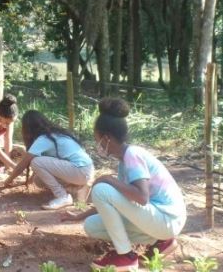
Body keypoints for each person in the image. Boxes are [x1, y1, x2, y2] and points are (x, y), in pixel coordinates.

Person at [59, 98, 186, 271]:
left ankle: (125, 256)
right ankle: (161, 242)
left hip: (167, 219)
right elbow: (115, 202)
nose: (98, 145)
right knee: (92, 225)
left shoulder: (133, 155)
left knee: (101, 188)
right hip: (160, 219)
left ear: (107, 138)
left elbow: (141, 197)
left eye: (98, 139)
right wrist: (79, 216)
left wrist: (108, 180)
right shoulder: (124, 161)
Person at [3, 109, 94, 210]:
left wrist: (8, 180)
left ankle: (62, 196)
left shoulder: (44, 139)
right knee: (38, 180)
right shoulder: (54, 134)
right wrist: (29, 180)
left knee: (36, 162)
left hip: (80, 170)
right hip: (85, 170)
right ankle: (76, 189)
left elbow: (24, 163)